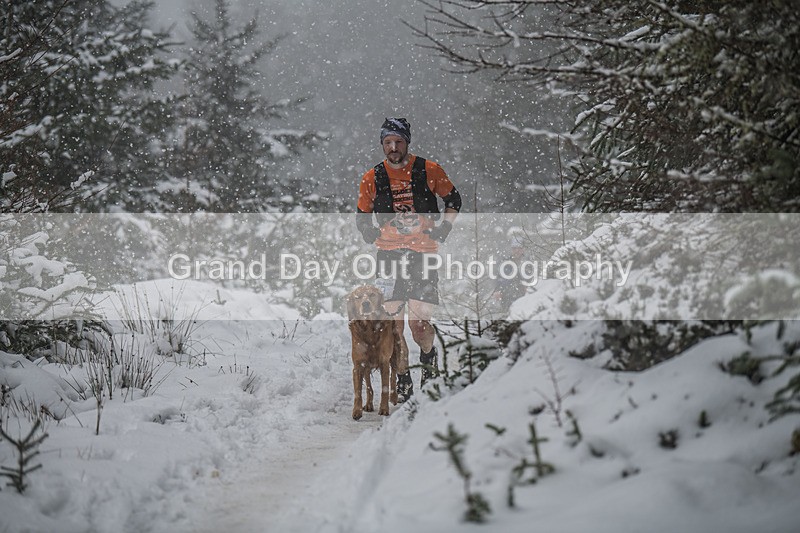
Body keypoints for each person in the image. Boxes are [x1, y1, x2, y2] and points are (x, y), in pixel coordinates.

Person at [356, 117, 462, 402]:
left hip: (423, 254)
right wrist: (367, 229)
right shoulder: (372, 177)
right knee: (394, 325)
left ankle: (428, 361)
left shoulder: (428, 169)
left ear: (407, 142)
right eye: (387, 143)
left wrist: (445, 227)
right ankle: (403, 377)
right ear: (382, 145)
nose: (393, 148)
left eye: (398, 142)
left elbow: (454, 200)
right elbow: (361, 213)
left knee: (419, 324)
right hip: (388, 255)